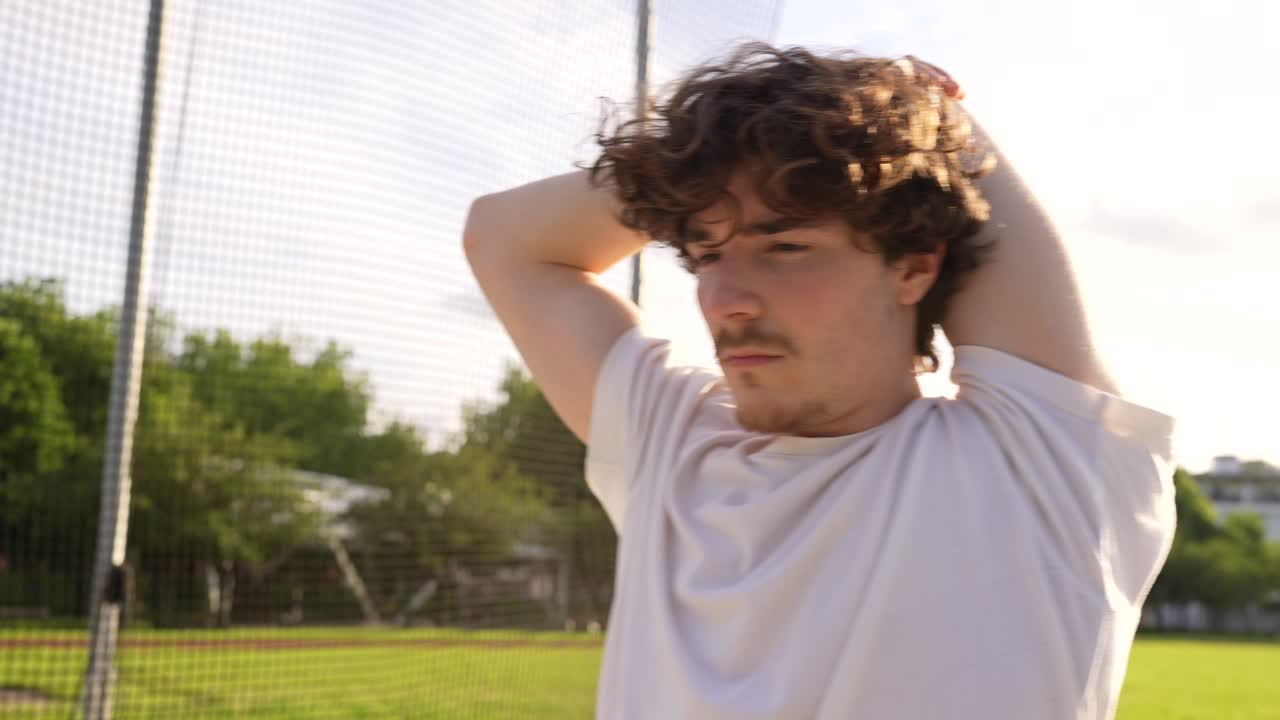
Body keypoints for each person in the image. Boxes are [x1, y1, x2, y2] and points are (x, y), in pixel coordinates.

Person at [463, 42, 1175, 720]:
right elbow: (501, 236)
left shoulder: (1040, 467)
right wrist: (698, 163)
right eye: (707, 254)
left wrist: (921, 110)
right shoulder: (669, 444)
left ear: (913, 266)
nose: (725, 299)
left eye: (784, 246)